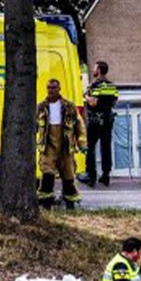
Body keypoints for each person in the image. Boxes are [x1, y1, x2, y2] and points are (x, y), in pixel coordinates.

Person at [36, 78, 85, 210]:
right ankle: (46, 204)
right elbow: (33, 126)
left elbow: (79, 126)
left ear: (59, 89)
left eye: (54, 88)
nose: (51, 90)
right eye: (49, 88)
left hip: (66, 145)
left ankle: (70, 203)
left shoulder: (69, 106)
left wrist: (82, 143)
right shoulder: (41, 107)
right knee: (47, 174)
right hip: (48, 145)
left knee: (68, 174)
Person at [82, 61, 118, 187]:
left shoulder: (96, 85)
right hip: (108, 119)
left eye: (94, 68)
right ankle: (106, 175)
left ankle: (91, 175)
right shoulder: (112, 86)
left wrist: (85, 96)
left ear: (99, 70)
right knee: (106, 147)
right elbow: (114, 102)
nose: (93, 70)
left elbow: (93, 103)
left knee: (90, 147)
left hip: (96, 119)